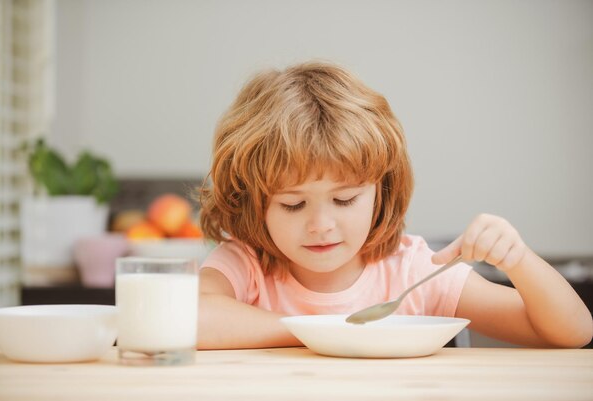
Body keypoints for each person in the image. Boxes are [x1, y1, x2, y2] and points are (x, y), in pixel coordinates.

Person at [196, 61, 592, 350]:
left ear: (381, 192)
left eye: (345, 199)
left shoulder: (412, 271)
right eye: (293, 205)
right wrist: (317, 330)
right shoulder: (246, 264)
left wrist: (518, 259)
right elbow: (189, 319)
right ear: (252, 202)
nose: (321, 224)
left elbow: (571, 333)